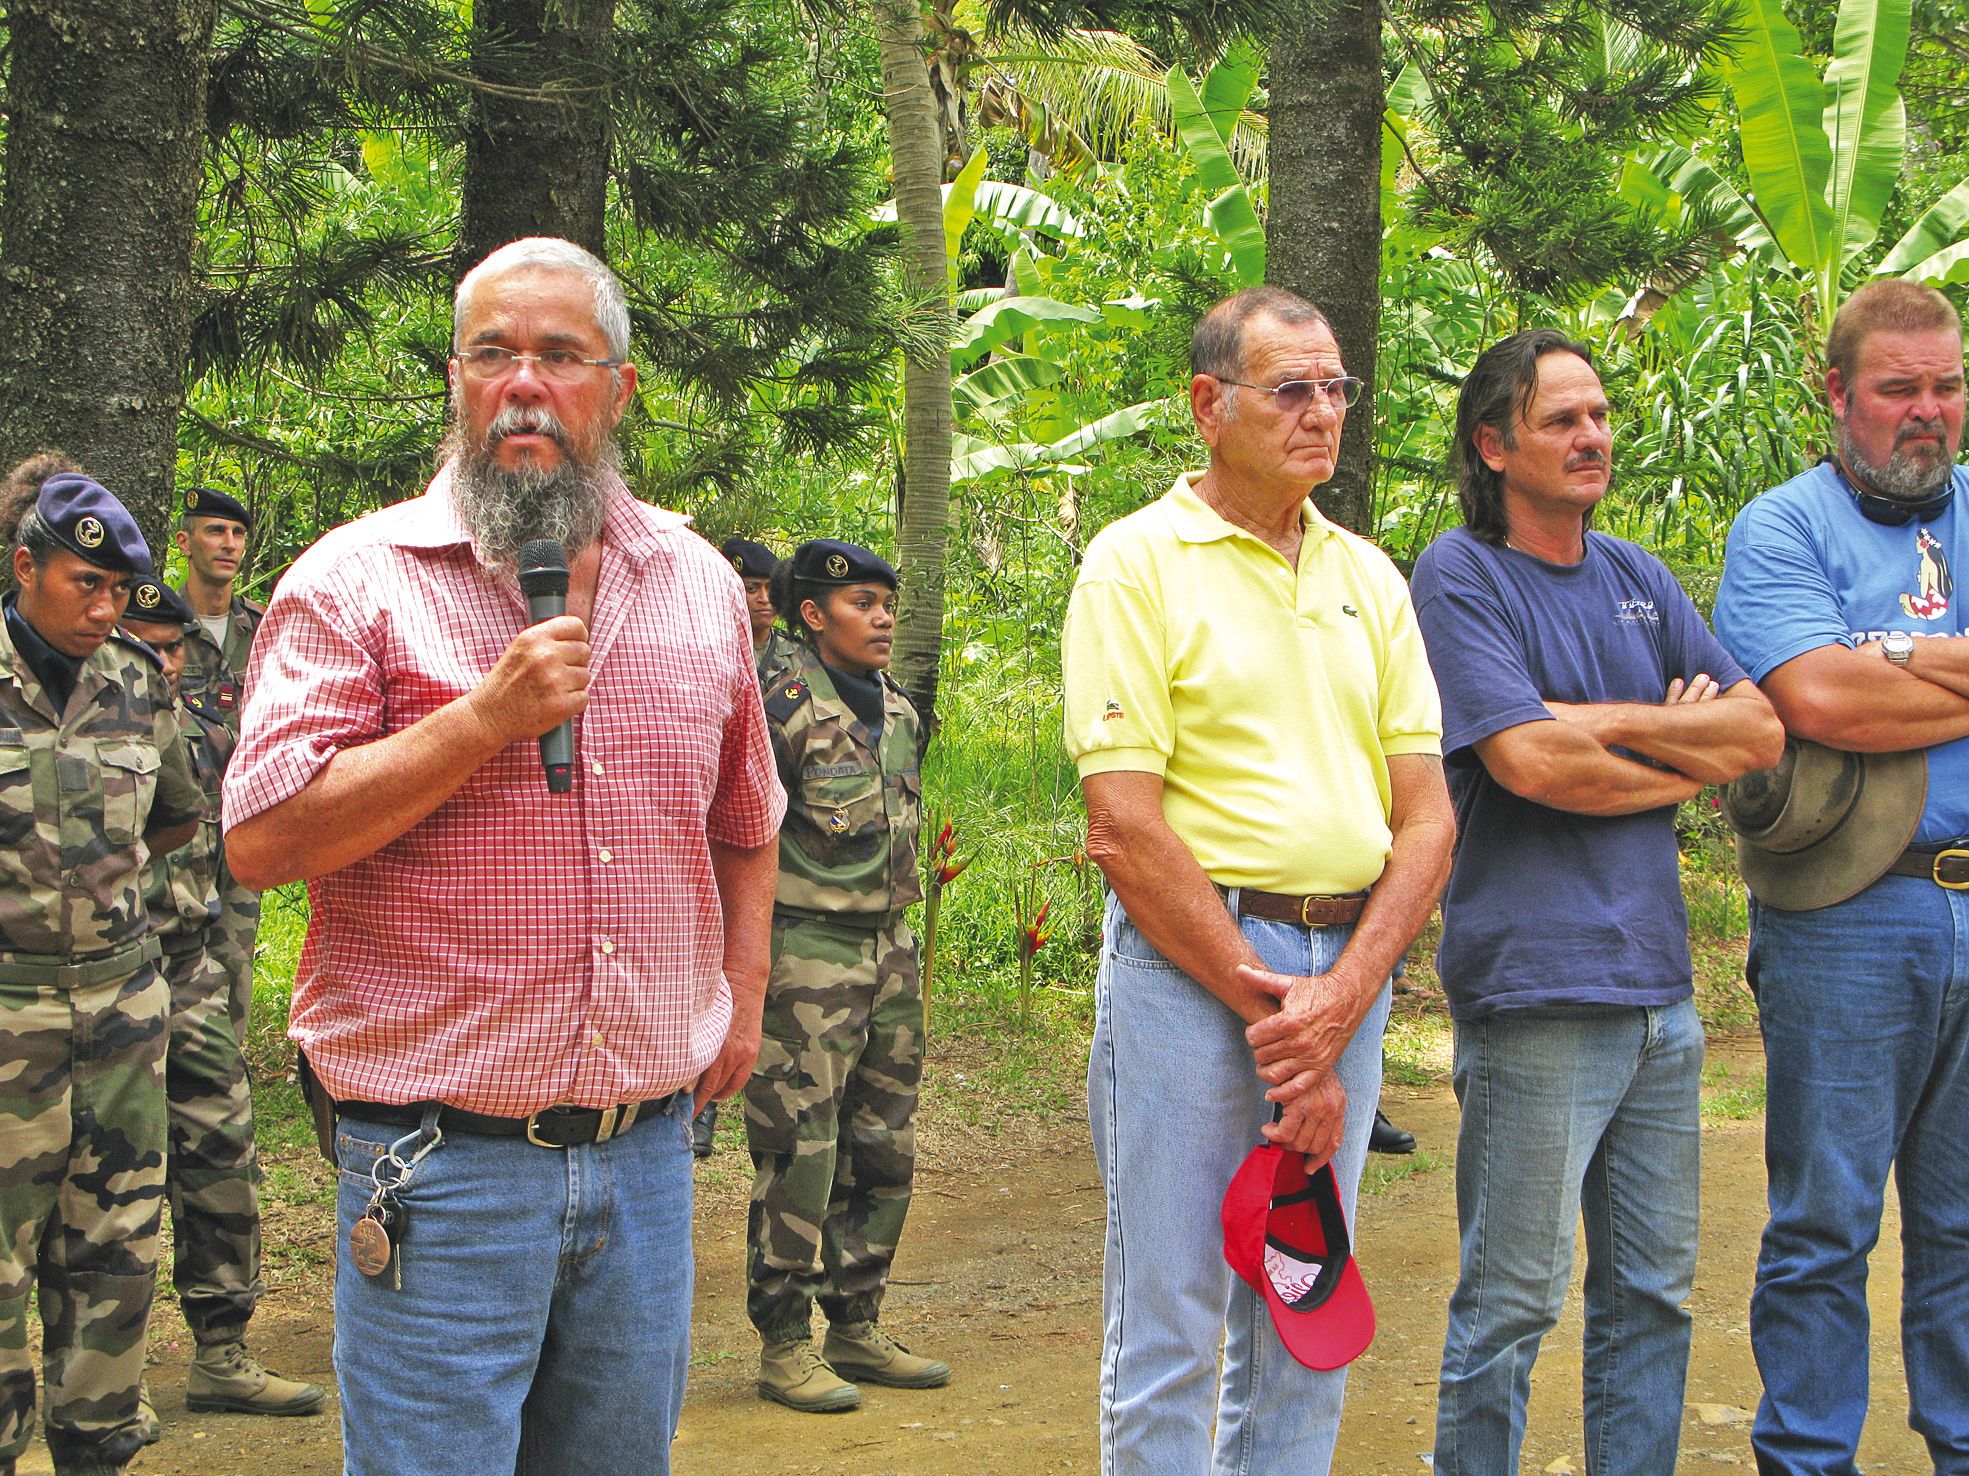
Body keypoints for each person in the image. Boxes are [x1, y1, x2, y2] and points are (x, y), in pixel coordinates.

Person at [221, 236, 784, 1476]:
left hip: (644, 1165)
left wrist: (739, 1002)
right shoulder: (355, 583)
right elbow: (262, 838)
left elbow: (747, 824)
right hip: (437, 1168)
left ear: (618, 390)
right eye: (493, 354)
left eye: (559, 356)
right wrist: (483, 721)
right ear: (457, 381)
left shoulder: (694, 583)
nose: (523, 384)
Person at [1061, 285, 1455, 1474]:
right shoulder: (1134, 565)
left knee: (1305, 1313)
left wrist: (1339, 1000)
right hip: (1194, 972)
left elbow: (1427, 818)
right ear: (1207, 405)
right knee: (1172, 1320)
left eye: (1336, 388)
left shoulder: (1367, 576)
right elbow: (1125, 828)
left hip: (1349, 970)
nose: (1321, 412)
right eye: (1290, 388)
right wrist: (1283, 1017)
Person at [1411, 330, 1783, 1476]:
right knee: (1513, 1302)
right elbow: (1527, 767)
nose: (1593, 437)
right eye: (1561, 419)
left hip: (1659, 998)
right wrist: (1678, 749)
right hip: (1535, 991)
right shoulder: (1457, 574)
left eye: (1600, 415)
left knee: (1653, 1299)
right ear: (1493, 443)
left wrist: (1590, 716)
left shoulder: (1635, 578)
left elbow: (1761, 732)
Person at [1713, 279, 1969, 1473]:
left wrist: (1889, 660)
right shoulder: (1783, 528)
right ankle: (1807, 1460)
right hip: (1846, 918)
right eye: (1897, 390)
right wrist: (1914, 669)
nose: (1927, 412)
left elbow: (1855, 686)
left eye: (1946, 387)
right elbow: (1813, 697)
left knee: (1967, 1231)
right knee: (1825, 1222)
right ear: (1836, 394)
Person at [0, 460, 204, 1476]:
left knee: (116, 1251)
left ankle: (96, 1447)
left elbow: (176, 814)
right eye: (87, 584)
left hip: (122, 1016)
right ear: (26, 566)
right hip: (5, 1018)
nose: (105, 606)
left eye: (119, 589)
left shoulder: (136, 682)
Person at [744, 537, 946, 1413]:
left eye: (886, 603)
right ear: (813, 615)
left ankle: (855, 1325)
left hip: (889, 955)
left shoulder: (898, 710)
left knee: (883, 1145)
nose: (883, 617)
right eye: (862, 603)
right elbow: (742, 838)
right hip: (805, 957)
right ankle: (784, 1342)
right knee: (801, 1150)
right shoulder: (779, 708)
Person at [120, 576, 325, 1425]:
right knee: (105, 1177)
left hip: (187, 955)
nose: (165, 663)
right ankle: (102, 1379)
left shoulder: (196, 729)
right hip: (93, 975)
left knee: (221, 1145)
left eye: (173, 648)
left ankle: (222, 1350)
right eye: (149, 646)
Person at [173, 488, 262, 1035]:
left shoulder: (266, 627)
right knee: (169, 957)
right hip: (177, 827)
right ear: (185, 542)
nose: (228, 545)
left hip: (242, 827)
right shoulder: (157, 627)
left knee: (234, 960)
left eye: (236, 535)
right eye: (214, 531)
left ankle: (227, 1074)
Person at [723, 535, 799, 680]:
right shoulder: (714, 650)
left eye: (771, 588)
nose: (764, 598)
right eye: (751, 589)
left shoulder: (799, 653)